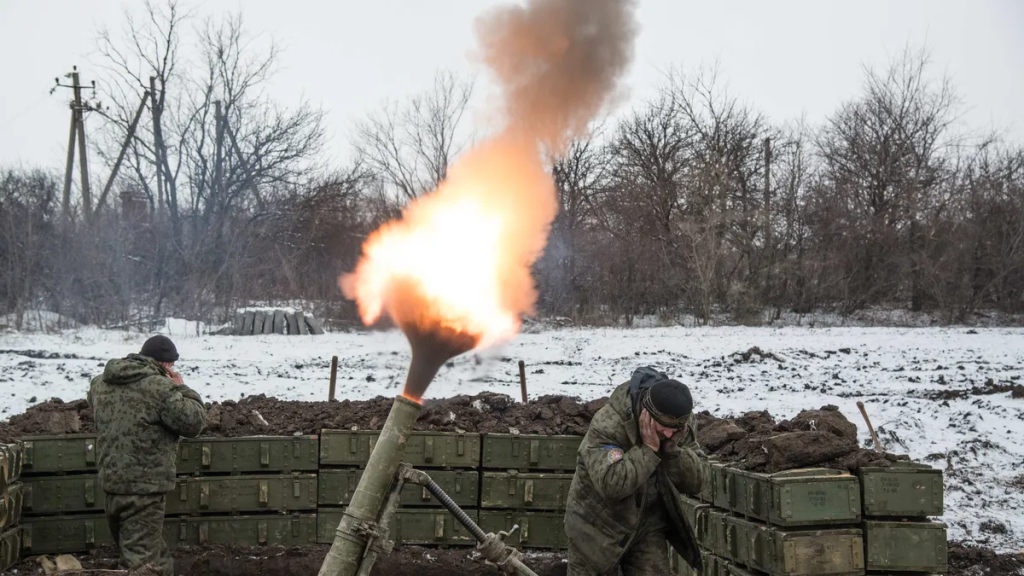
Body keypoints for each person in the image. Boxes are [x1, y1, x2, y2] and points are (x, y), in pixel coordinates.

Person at [564, 366, 709, 576]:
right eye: (664, 427)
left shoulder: (677, 422)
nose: (670, 434)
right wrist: (648, 450)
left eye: (676, 429)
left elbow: (699, 481)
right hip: (595, 526)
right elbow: (612, 484)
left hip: (647, 524)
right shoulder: (608, 425)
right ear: (646, 413)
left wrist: (673, 453)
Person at [87, 335, 207, 575]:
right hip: (144, 491)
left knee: (152, 556)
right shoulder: (160, 388)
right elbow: (194, 422)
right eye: (171, 366)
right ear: (165, 365)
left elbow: (96, 403)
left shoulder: (100, 383)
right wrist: (181, 387)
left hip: (112, 487)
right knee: (141, 564)